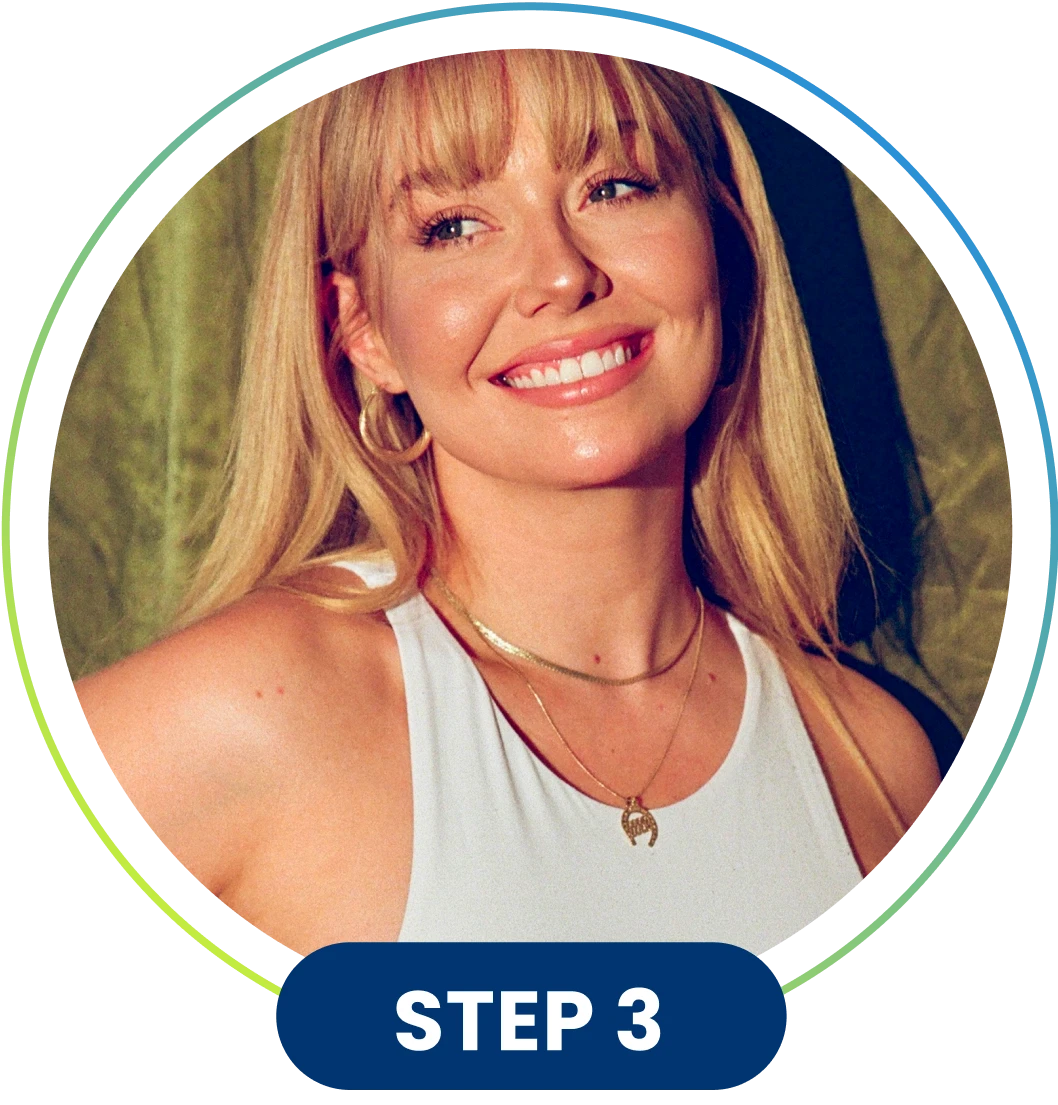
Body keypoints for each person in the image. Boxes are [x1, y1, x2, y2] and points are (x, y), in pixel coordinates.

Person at [74, 50, 940, 957]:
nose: (561, 274)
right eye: (453, 226)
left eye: (616, 186)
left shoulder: (877, 762)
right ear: (361, 330)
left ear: (721, 239)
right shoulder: (249, 712)